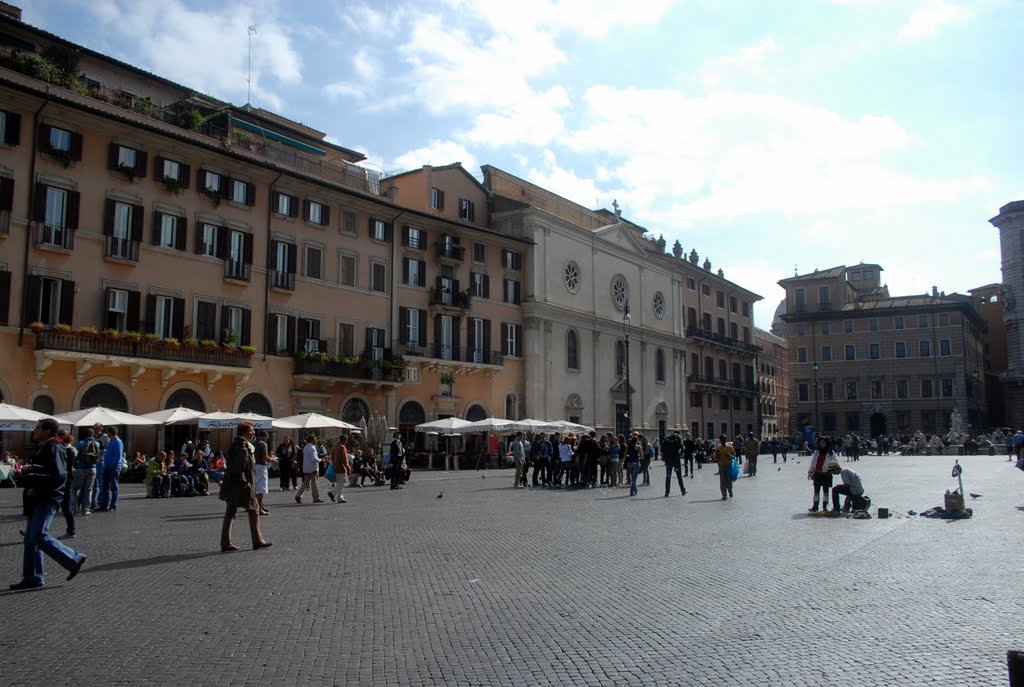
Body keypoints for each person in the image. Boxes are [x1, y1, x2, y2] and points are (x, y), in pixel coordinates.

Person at [10, 418, 87, 589]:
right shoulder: (45, 448)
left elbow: (59, 475)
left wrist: (38, 489)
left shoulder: (53, 448)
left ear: (47, 431)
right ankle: (33, 577)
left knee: (38, 535)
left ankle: (73, 558)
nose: (34, 431)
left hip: (46, 498)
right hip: (37, 498)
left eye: (37, 428)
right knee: (30, 538)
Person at [220, 422, 271, 552]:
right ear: (243, 432)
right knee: (252, 510)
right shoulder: (243, 448)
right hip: (242, 486)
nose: (253, 433)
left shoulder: (239, 445)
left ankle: (226, 542)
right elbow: (238, 469)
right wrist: (246, 484)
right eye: (251, 431)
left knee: (232, 512)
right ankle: (257, 541)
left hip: (234, 485)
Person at [807, 436, 840, 512]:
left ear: (826, 443)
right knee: (816, 491)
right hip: (818, 474)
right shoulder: (817, 452)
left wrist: (832, 466)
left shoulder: (831, 453)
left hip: (826, 474)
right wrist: (810, 471)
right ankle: (815, 506)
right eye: (820, 442)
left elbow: (836, 462)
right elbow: (813, 462)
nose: (821, 444)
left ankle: (825, 507)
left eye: (823, 442)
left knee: (826, 492)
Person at [96, 426, 124, 512]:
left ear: (110, 433)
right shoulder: (111, 441)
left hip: (114, 466)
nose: (106, 434)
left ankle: (113, 505)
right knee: (105, 486)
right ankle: (104, 505)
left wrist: (112, 465)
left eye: (107, 432)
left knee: (114, 486)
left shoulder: (117, 442)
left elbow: (118, 456)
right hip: (107, 466)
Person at [57, 429, 77, 539]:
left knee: (65, 505)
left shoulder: (66, 451)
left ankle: (71, 529)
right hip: (67, 479)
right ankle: (71, 529)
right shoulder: (71, 450)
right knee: (63, 505)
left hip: (64, 480)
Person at [295, 434, 324, 503]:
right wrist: (321, 460)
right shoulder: (312, 448)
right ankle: (316, 497)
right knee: (314, 483)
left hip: (306, 468)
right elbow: (314, 459)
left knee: (305, 483)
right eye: (315, 439)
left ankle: (298, 495)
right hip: (313, 468)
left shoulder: (305, 447)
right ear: (312, 440)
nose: (316, 440)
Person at [661, 429, 685, 497]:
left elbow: (662, 449)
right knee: (679, 476)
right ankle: (682, 490)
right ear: (678, 433)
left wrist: (664, 457)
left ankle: (667, 492)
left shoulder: (667, 438)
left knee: (668, 476)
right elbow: (682, 447)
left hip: (668, 460)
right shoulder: (678, 438)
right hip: (676, 459)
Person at [327, 436, 351, 503]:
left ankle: (340, 498)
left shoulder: (335, 446)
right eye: (346, 440)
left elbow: (331, 457)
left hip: (335, 467)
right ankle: (332, 493)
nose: (346, 442)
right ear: (343, 440)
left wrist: (334, 463)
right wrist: (348, 467)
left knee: (339, 483)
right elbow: (345, 459)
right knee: (343, 483)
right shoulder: (342, 447)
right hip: (341, 467)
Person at [253, 430, 271, 514]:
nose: (267, 439)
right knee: (261, 489)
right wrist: (273, 460)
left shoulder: (253, 443)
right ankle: (260, 509)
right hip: (261, 466)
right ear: (264, 436)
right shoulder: (263, 444)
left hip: (254, 466)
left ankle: (257, 506)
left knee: (255, 487)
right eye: (267, 438)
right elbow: (265, 457)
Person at [713, 434, 736, 500]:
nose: (723, 440)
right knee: (722, 481)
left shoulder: (730, 447)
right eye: (722, 439)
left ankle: (730, 491)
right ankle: (724, 494)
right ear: (720, 440)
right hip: (721, 466)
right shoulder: (718, 448)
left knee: (729, 481)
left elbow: (734, 456)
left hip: (729, 466)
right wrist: (717, 455)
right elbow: (716, 458)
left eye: (724, 439)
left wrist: (730, 456)